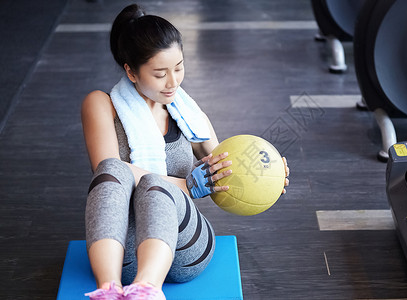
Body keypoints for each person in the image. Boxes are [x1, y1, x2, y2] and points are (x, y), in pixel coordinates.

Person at [81, 4, 290, 300]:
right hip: (124, 248)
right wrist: (188, 185)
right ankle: (109, 290)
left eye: (178, 68)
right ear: (131, 71)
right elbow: (108, 172)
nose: (173, 82)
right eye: (159, 73)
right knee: (114, 170)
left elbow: (224, 170)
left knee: (155, 183)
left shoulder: (186, 111)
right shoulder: (101, 104)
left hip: (184, 248)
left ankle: (147, 290)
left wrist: (265, 176)